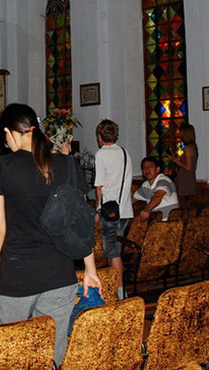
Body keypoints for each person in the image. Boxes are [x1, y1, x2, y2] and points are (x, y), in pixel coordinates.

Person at [0, 103, 100, 366]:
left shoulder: (1, 167)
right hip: (60, 275)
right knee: (54, 353)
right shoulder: (67, 164)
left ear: (11, 133)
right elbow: (80, 222)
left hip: (17, 276)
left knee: (7, 352)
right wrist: (90, 269)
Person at [94, 119, 134, 298]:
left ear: (100, 137)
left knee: (113, 251)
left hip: (109, 211)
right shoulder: (125, 153)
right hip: (125, 209)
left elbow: (99, 186)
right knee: (115, 249)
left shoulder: (102, 154)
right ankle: (116, 289)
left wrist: (97, 209)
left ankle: (119, 292)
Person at [133, 156, 179, 221]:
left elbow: (158, 196)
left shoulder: (164, 180)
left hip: (170, 222)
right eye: (144, 167)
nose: (147, 170)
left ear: (158, 169)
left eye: (150, 167)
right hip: (156, 223)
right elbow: (132, 199)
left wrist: (147, 209)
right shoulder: (145, 185)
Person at [167, 122, 198, 197]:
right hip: (183, 177)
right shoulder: (187, 146)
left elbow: (188, 167)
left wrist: (174, 160)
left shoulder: (188, 148)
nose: (179, 134)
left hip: (186, 179)